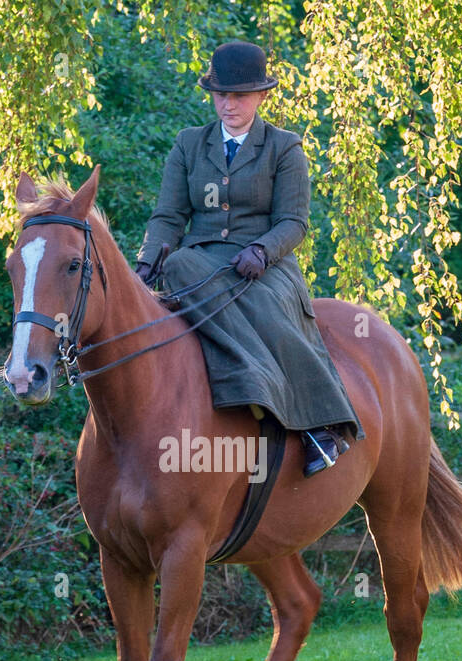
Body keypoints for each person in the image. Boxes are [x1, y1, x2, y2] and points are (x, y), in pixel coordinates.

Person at [135, 41, 363, 477]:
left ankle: (322, 424)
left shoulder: (284, 147)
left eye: (239, 95)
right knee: (178, 264)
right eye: (221, 94)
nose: (229, 104)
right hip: (200, 264)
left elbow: (294, 221)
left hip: (264, 267)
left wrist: (262, 249)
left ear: (261, 96)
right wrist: (146, 263)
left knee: (265, 312)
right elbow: (168, 216)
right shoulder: (187, 145)